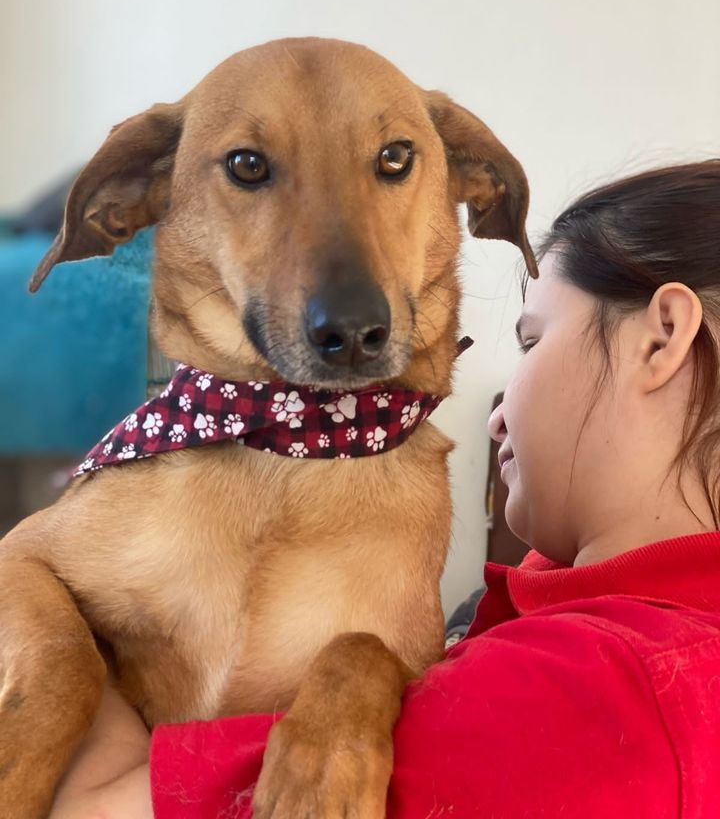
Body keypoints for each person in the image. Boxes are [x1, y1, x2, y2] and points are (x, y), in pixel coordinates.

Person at [51, 160, 720, 818]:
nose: (493, 418)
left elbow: (94, 803)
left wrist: (66, 614)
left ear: (661, 339)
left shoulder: (580, 698)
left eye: (531, 340)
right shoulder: (633, 638)